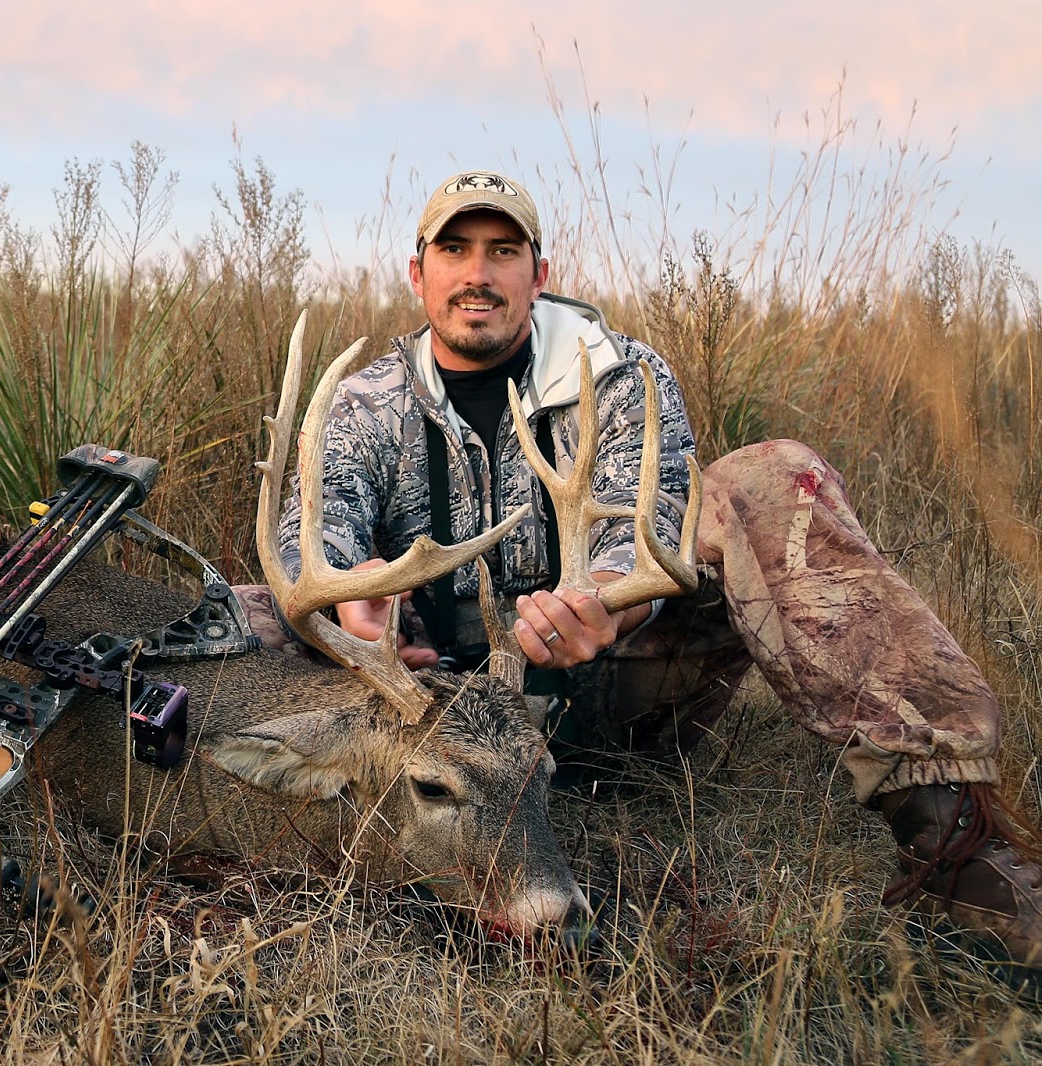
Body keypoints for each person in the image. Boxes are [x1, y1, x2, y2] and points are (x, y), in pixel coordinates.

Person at [248, 169, 1042, 967]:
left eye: (502, 251)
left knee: (766, 481)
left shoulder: (620, 375)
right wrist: (354, 611)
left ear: (539, 274)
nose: (478, 273)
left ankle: (951, 838)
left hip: (623, 694)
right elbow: (307, 538)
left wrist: (604, 602)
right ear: (420, 274)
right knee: (243, 615)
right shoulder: (363, 404)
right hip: (431, 725)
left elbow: (654, 514)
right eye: (455, 250)